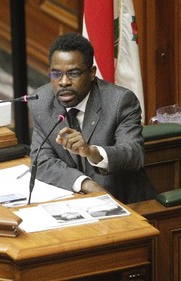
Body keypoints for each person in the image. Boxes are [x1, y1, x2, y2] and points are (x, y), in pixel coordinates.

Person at [29, 32, 156, 204]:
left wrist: (91, 152)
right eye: (56, 74)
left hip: (126, 204)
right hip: (72, 201)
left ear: (91, 73)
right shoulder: (42, 101)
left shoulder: (119, 101)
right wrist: (85, 184)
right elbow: (42, 161)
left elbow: (134, 154)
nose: (64, 82)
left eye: (73, 73)